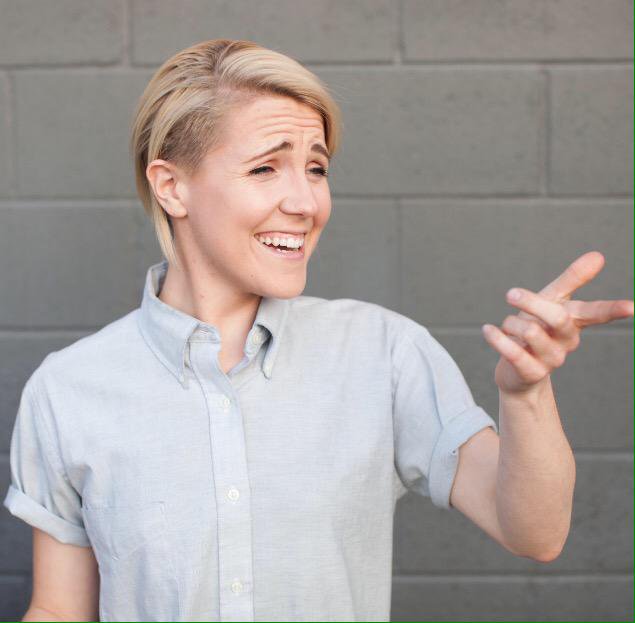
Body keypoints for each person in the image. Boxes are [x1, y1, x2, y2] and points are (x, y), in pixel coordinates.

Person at [4, 39, 633, 622]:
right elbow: (59, 611)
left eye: (316, 168)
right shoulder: (68, 389)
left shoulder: (383, 353)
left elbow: (535, 532)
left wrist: (526, 395)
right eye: (265, 169)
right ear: (172, 187)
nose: (306, 203)